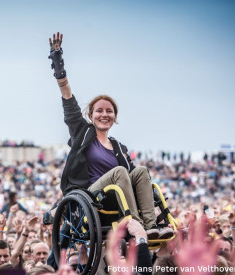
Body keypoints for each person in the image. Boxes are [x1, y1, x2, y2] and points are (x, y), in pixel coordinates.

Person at [48, 32, 173, 239]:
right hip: (92, 196)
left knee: (140, 170)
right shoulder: (82, 131)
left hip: (118, 198)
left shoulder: (118, 147)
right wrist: (57, 61)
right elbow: (67, 95)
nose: (104, 114)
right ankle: (135, 223)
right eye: (99, 110)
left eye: (109, 111)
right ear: (91, 115)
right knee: (118, 172)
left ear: (114, 117)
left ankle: (151, 226)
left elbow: (133, 176)